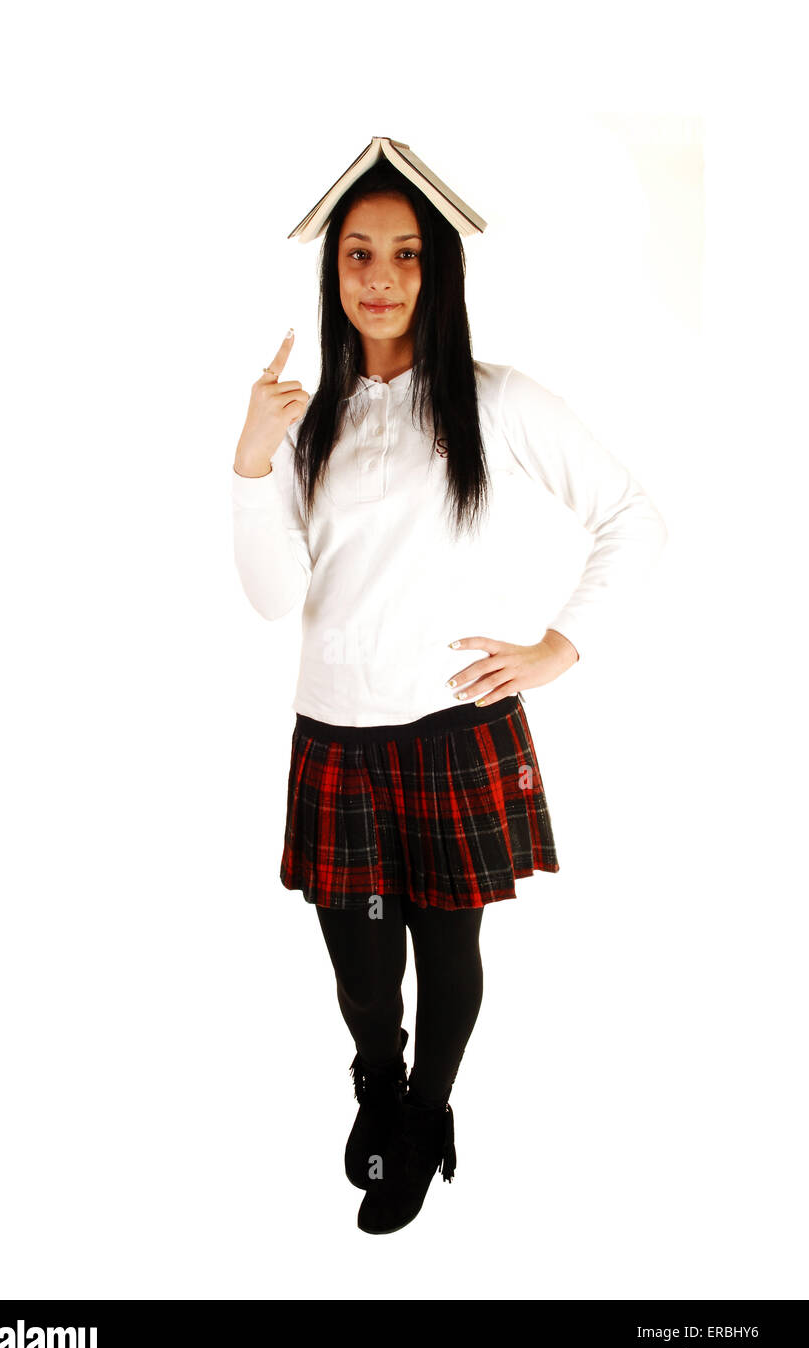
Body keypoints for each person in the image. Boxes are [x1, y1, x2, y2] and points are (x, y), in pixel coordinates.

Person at [231, 157, 667, 1235]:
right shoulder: (306, 421)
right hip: (335, 733)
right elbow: (271, 596)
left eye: (405, 255)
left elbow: (630, 514)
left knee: (445, 949)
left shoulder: (494, 399)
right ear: (333, 272)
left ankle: (424, 1117)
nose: (379, 278)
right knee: (363, 968)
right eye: (358, 255)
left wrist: (557, 647)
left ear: (439, 272)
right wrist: (251, 462)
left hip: (450, 730)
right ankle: (378, 1084)